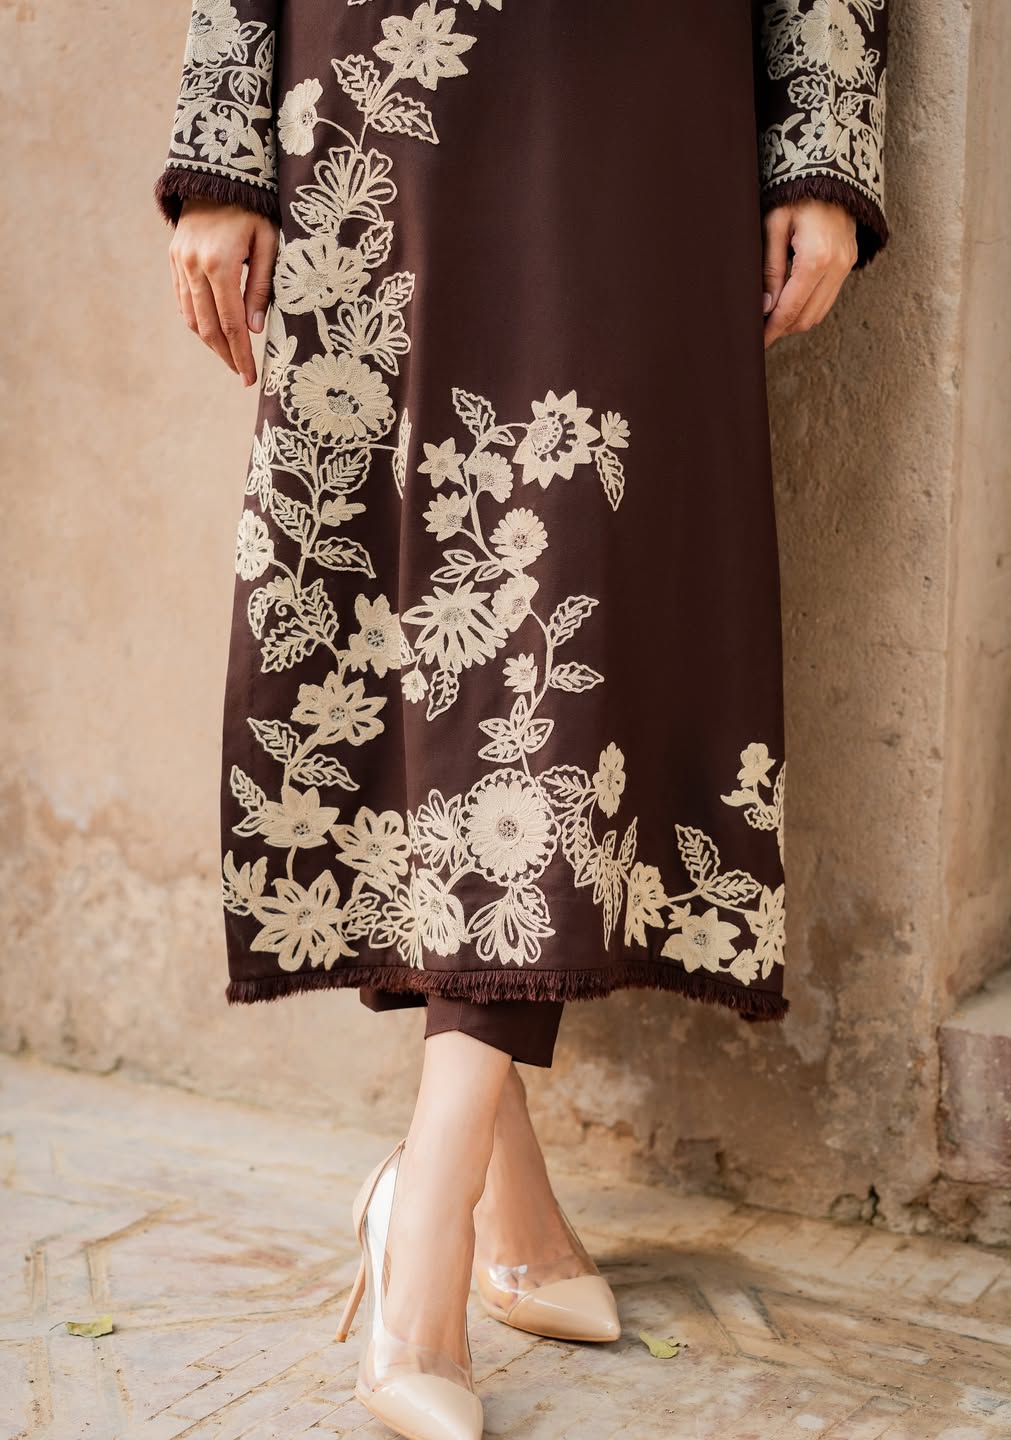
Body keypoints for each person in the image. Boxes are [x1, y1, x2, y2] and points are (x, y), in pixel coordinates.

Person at [155, 2, 889, 1435]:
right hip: (385, 85)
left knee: (574, 602)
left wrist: (821, 130)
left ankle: (428, 1202)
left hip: (644, 95)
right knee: (404, 625)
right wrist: (221, 149)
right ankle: (478, 1210)